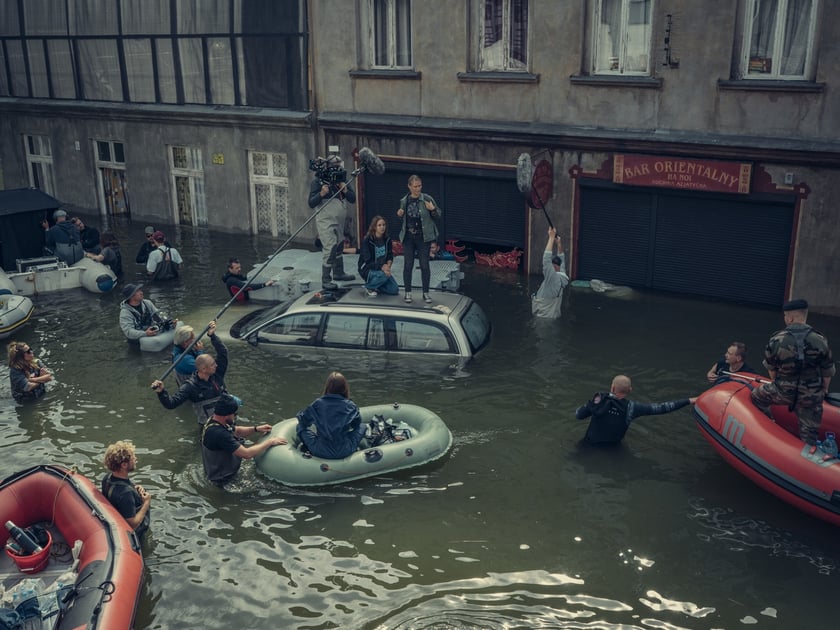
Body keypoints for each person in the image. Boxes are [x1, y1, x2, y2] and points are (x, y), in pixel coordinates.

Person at [750, 299, 835, 457]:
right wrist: (823, 390)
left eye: (785, 316)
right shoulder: (820, 340)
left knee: (756, 396)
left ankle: (768, 425)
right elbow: (827, 371)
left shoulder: (777, 339)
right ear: (805, 316)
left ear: (789, 318)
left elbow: (772, 370)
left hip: (782, 392)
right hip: (811, 397)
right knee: (809, 435)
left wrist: (779, 383)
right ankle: (806, 456)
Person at [575, 375, 697, 445]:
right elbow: (662, 408)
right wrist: (689, 400)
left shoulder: (599, 399)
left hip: (588, 445)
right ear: (630, 391)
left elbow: (578, 415)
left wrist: (590, 403)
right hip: (612, 449)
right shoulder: (632, 408)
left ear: (612, 387)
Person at [151, 321, 232, 423]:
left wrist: (212, 336)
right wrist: (161, 392)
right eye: (193, 339)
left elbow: (223, 353)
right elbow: (171, 404)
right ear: (185, 343)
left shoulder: (216, 373)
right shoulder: (189, 381)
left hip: (224, 415)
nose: (216, 365)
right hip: (205, 413)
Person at [201, 394, 287, 485]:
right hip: (223, 480)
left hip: (220, 470)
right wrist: (270, 442)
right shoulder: (219, 434)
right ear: (226, 415)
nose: (235, 417)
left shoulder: (214, 420)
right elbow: (247, 454)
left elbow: (236, 431)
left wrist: (256, 429)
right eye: (234, 414)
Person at [308, 153, 356, 290]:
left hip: (339, 220)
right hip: (325, 220)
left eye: (339, 166)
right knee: (330, 247)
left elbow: (352, 199)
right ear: (328, 167)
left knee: (340, 243)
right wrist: (321, 194)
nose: (338, 169)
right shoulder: (318, 182)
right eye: (335, 167)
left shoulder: (343, 180)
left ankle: (339, 272)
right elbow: (311, 203)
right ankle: (326, 279)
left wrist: (345, 189)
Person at [296, 372, 366, 459]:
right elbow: (356, 425)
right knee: (363, 426)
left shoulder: (318, 404)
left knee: (300, 427)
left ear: (327, 387)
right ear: (344, 387)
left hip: (320, 450)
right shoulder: (351, 405)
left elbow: (303, 421)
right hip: (345, 450)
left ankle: (306, 448)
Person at [396, 175, 441, 304]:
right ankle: (408, 292)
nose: (417, 189)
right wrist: (399, 215)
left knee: (424, 265)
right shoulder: (404, 200)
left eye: (419, 186)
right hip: (409, 236)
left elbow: (438, 215)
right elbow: (403, 218)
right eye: (415, 186)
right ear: (409, 187)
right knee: (408, 264)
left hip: (423, 236)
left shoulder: (427, 198)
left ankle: (426, 292)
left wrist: (432, 210)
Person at [101, 440, 151, 540]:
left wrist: (134, 487)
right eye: (133, 458)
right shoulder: (126, 493)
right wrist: (146, 503)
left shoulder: (107, 478)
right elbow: (132, 525)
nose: (136, 459)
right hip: (134, 537)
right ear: (124, 465)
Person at [531, 226, 570, 319]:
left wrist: (551, 237)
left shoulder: (552, 278)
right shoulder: (563, 276)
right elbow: (562, 259)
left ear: (554, 267)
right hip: (554, 314)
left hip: (543, 318)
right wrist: (559, 244)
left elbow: (546, 259)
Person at [358, 215, 399, 297]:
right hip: (367, 269)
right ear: (374, 227)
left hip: (382, 269)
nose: (382, 227)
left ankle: (376, 285)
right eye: (379, 225)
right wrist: (383, 267)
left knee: (394, 290)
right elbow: (368, 261)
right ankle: (369, 287)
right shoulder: (367, 240)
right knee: (383, 275)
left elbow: (390, 255)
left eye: (383, 225)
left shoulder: (387, 239)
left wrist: (388, 265)